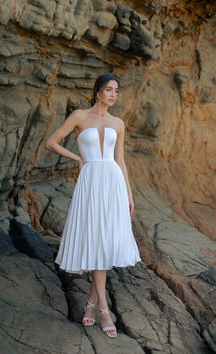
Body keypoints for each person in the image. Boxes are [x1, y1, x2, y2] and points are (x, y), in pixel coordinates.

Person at [44, 74, 142, 338]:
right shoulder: (79, 116)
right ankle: (103, 309)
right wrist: (77, 157)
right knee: (97, 241)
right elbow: (51, 142)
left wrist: (129, 195)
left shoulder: (118, 123)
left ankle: (92, 305)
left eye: (116, 91)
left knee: (105, 242)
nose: (112, 95)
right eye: (108, 90)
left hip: (112, 185)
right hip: (89, 183)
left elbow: (120, 161)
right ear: (97, 92)